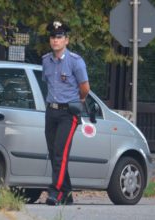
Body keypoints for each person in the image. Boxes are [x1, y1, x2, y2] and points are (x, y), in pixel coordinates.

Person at [41, 21, 90, 205]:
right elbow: (47, 82)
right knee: (54, 152)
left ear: (66, 40)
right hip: (51, 111)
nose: (55, 40)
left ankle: (55, 192)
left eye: (59, 37)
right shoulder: (46, 60)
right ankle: (67, 193)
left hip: (68, 114)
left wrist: (79, 100)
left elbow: (85, 87)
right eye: (53, 37)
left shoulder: (75, 62)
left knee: (60, 153)